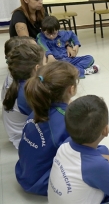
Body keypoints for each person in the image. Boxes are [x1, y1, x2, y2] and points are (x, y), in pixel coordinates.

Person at [15, 61, 79, 196]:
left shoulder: (37, 110)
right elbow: (81, 156)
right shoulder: (69, 120)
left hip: (23, 173)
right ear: (71, 89)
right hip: (43, 183)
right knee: (100, 152)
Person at [2, 42, 44, 149]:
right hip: (25, 139)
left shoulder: (14, 77)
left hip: (16, 133)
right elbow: (48, 118)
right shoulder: (28, 93)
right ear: (37, 68)